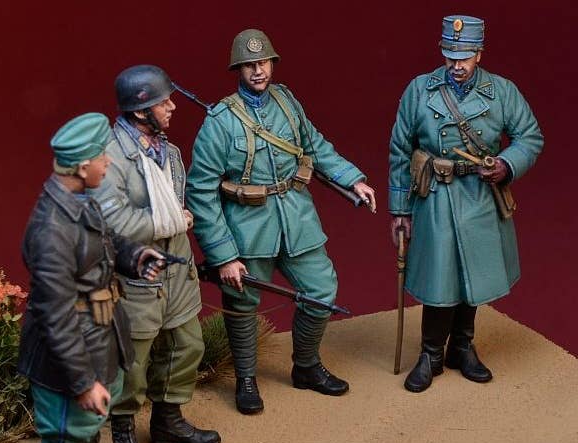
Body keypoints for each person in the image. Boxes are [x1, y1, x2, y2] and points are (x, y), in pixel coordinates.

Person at [186, 29, 376, 415]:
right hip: (246, 229)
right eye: (249, 65)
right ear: (238, 70)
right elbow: (201, 192)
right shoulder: (220, 122)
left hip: (296, 219)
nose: (258, 71)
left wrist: (352, 179)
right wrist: (223, 256)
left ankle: (306, 366)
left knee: (321, 290)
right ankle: (246, 379)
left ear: (272, 64)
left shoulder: (287, 102)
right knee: (242, 304)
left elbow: (315, 146)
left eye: (263, 62)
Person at [18, 113, 165, 443]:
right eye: (103, 156)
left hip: (98, 336)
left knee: (87, 426)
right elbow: (55, 317)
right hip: (69, 353)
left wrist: (135, 256)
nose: (108, 162)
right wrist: (81, 381)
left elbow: (106, 242)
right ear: (82, 167)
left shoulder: (79, 201)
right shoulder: (51, 228)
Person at [388, 15, 544, 393]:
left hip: (479, 194)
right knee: (439, 276)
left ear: (479, 54)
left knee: (472, 275)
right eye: (450, 56)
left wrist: (506, 164)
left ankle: (461, 347)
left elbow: (530, 136)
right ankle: (431, 354)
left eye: (464, 57)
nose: (456, 65)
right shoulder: (419, 90)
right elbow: (399, 151)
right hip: (436, 195)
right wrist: (400, 210)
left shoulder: (501, 91)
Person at [92, 65, 220, 443]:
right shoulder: (111, 158)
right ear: (140, 109)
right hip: (138, 272)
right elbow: (111, 221)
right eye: (164, 101)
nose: (172, 107)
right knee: (132, 362)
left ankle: (168, 420)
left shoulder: (166, 150)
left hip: (176, 268)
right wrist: (169, 221)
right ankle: (124, 431)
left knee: (187, 344)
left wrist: (177, 224)